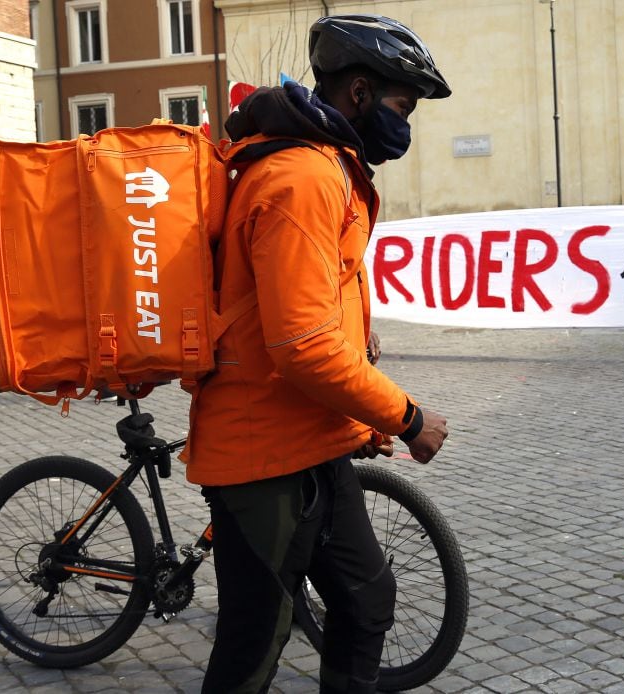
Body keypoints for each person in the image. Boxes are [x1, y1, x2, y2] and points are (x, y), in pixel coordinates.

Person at [181, 14, 451, 693]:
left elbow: (311, 317)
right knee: (253, 650)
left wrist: (351, 421)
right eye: (400, 106)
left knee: (366, 602)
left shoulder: (330, 168)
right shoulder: (303, 178)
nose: (405, 124)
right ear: (358, 92)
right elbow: (301, 345)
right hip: (260, 457)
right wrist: (405, 418)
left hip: (306, 443)